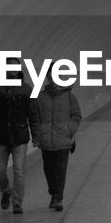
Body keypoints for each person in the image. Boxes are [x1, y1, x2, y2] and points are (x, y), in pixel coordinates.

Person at [0, 66, 36, 215]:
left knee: (19, 171)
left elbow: (32, 113)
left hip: (20, 137)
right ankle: (6, 190)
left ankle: (17, 203)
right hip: (1, 137)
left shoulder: (26, 89)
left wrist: (35, 135)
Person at [32, 78, 81, 211]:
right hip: (46, 139)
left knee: (60, 169)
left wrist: (69, 129)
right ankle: (53, 193)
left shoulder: (69, 96)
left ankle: (58, 197)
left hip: (63, 139)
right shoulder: (41, 96)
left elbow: (76, 115)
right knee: (48, 169)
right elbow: (35, 117)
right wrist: (37, 134)